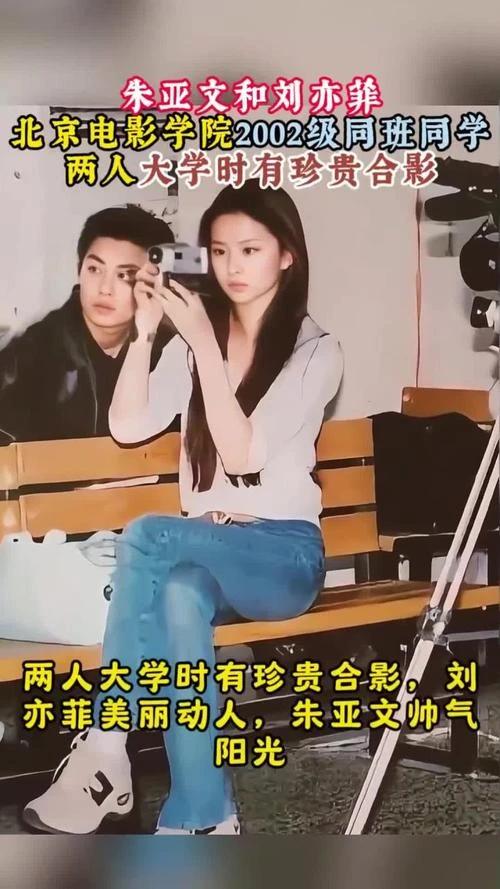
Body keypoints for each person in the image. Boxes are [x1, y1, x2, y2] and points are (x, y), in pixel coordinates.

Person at [23, 179, 344, 836]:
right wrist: (146, 334)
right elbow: (128, 425)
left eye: (249, 250)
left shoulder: (316, 351)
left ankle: (106, 744)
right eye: (219, 252)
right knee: (178, 594)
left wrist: (204, 347)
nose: (231, 267)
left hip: (283, 557)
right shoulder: (197, 339)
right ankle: (204, 812)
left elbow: (243, 453)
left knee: (148, 534)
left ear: (287, 255)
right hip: (208, 551)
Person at [0, 204, 177, 442]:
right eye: (94, 269)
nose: (105, 288)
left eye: (124, 275)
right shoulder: (30, 352)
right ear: (79, 270)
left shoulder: (172, 350)